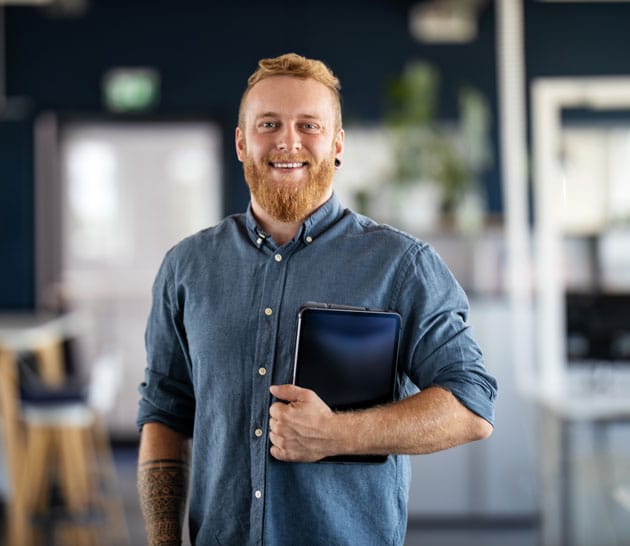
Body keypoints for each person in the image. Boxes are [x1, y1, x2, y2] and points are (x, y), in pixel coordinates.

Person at [137, 52, 498, 546]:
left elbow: (471, 405)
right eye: (269, 124)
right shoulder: (187, 267)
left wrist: (336, 434)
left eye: (309, 125)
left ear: (337, 144)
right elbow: (165, 413)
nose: (288, 141)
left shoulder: (401, 264)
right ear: (241, 142)